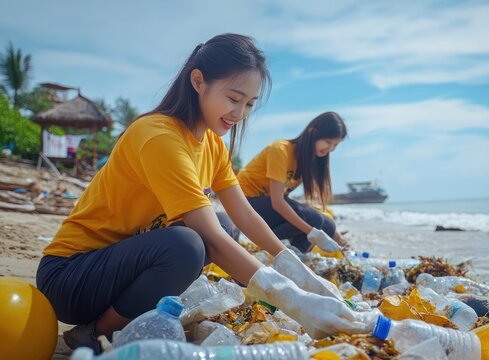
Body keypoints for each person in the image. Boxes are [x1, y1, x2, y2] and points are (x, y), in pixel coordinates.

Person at [36, 34, 366, 353]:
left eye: (249, 104)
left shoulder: (212, 146)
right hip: (70, 276)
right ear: (198, 81)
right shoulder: (159, 137)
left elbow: (245, 214)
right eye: (233, 98)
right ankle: (95, 333)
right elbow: (210, 240)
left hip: (118, 269)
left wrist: (300, 273)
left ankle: (115, 318)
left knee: (224, 226)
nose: (239, 114)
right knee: (189, 245)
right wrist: (292, 299)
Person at [237, 112, 348, 254]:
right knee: (314, 220)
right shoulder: (281, 150)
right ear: (313, 132)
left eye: (334, 145)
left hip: (267, 207)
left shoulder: (306, 162)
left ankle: (294, 253)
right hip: (243, 203)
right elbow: (278, 202)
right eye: (328, 142)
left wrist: (333, 235)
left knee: (329, 226)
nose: (330, 149)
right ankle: (293, 255)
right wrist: (312, 232)